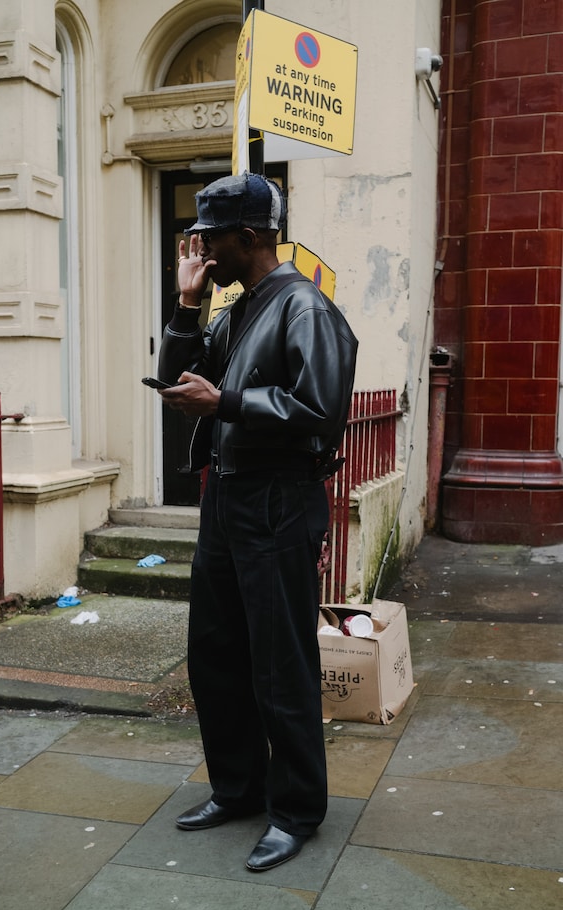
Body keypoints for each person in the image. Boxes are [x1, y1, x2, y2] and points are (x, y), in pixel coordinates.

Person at [157, 171, 358, 871]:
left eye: (209, 240)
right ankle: (237, 788)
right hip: (228, 498)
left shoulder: (305, 308)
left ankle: (297, 809)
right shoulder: (234, 310)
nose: (201, 251)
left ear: (249, 238)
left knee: (281, 664)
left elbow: (323, 412)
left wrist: (229, 404)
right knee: (216, 652)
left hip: (278, 499)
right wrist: (187, 304)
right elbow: (182, 378)